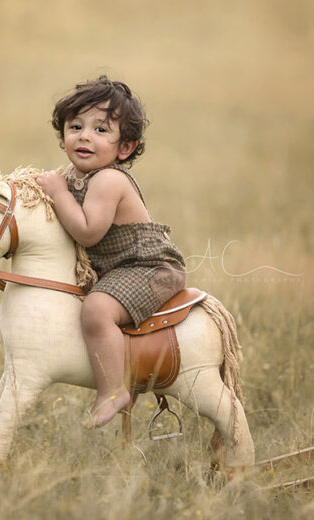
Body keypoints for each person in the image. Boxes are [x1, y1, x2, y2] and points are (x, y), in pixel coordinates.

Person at [36, 76, 185, 428]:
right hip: (117, 271)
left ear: (125, 148)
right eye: (76, 126)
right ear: (62, 137)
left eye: (101, 130)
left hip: (149, 268)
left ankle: (113, 390)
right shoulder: (70, 176)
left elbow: (87, 233)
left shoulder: (109, 180)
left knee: (97, 308)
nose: (84, 136)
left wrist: (56, 192)